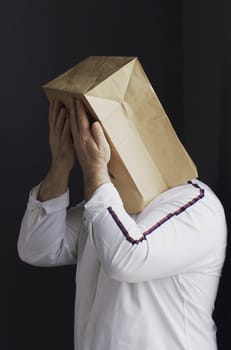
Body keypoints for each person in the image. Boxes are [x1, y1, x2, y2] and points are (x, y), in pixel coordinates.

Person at [17, 98, 227, 350]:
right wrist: (61, 164)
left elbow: (127, 258)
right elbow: (37, 248)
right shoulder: (105, 203)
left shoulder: (196, 204)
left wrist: (95, 169)